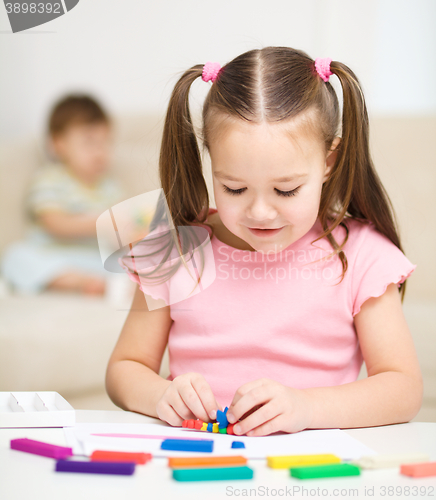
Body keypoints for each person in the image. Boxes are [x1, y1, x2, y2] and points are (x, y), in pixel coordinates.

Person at [105, 47, 423, 436]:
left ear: (329, 161)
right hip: (199, 465)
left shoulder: (361, 257)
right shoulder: (176, 249)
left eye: (286, 190)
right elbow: (124, 369)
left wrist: (307, 408)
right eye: (234, 188)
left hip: (312, 473)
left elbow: (403, 389)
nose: (260, 212)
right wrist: (159, 396)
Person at [1, 94, 123, 295]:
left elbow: (121, 229)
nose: (100, 152)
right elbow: (54, 223)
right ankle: (79, 283)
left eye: (105, 142)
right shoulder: (49, 180)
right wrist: (100, 222)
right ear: (58, 144)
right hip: (54, 256)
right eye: (89, 142)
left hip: (94, 259)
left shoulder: (111, 187)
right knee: (15, 256)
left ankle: (105, 284)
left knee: (132, 260)